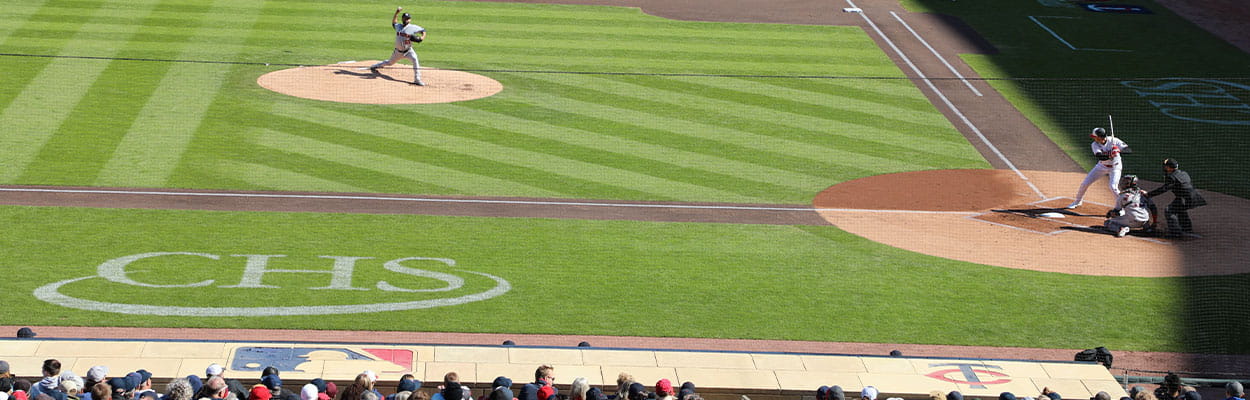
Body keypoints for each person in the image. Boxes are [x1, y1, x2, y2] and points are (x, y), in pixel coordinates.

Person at [1068, 127, 1129, 209]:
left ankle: (1121, 207)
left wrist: (1118, 150)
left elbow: (1128, 149)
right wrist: (1111, 154)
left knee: (1113, 187)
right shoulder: (1094, 144)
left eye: (1094, 137)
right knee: (1085, 184)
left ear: (1100, 137)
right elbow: (1100, 157)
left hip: (1115, 167)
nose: (1093, 138)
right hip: (1101, 166)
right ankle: (1077, 201)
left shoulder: (1114, 140)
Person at [1146, 158, 1205, 238]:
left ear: (1170, 168)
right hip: (1194, 196)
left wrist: (1148, 194)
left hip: (1185, 197)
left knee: (1169, 210)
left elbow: (1164, 189)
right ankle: (1187, 229)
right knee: (1180, 209)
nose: (1164, 167)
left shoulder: (1172, 177)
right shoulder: (1183, 173)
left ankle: (1175, 232)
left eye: (1166, 166)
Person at [369, 6, 427, 86]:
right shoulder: (398, 26)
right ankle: (376, 66)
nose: (406, 20)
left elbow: (423, 30)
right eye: (405, 18)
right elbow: (394, 22)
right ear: (402, 19)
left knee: (415, 60)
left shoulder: (413, 27)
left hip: (409, 51)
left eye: (408, 18)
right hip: (398, 52)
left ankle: (417, 79)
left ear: (410, 20)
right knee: (389, 63)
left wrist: (421, 38)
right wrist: (396, 12)